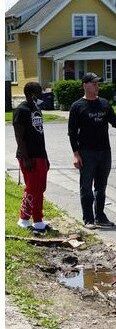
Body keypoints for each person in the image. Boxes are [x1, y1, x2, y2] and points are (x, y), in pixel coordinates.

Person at [68, 73, 116, 229]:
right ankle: (88, 219)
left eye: (98, 84)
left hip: (104, 152)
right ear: (85, 85)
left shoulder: (104, 104)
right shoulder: (77, 106)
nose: (97, 87)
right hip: (86, 153)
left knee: (101, 187)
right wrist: (76, 154)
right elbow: (72, 133)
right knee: (86, 187)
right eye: (94, 84)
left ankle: (100, 216)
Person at [13, 82, 51, 233]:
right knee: (32, 188)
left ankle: (38, 220)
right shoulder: (21, 110)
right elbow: (19, 136)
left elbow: (40, 134)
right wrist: (26, 158)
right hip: (28, 156)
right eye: (39, 92)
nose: (42, 95)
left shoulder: (36, 108)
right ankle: (23, 219)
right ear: (32, 94)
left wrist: (46, 157)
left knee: (40, 188)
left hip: (40, 154)